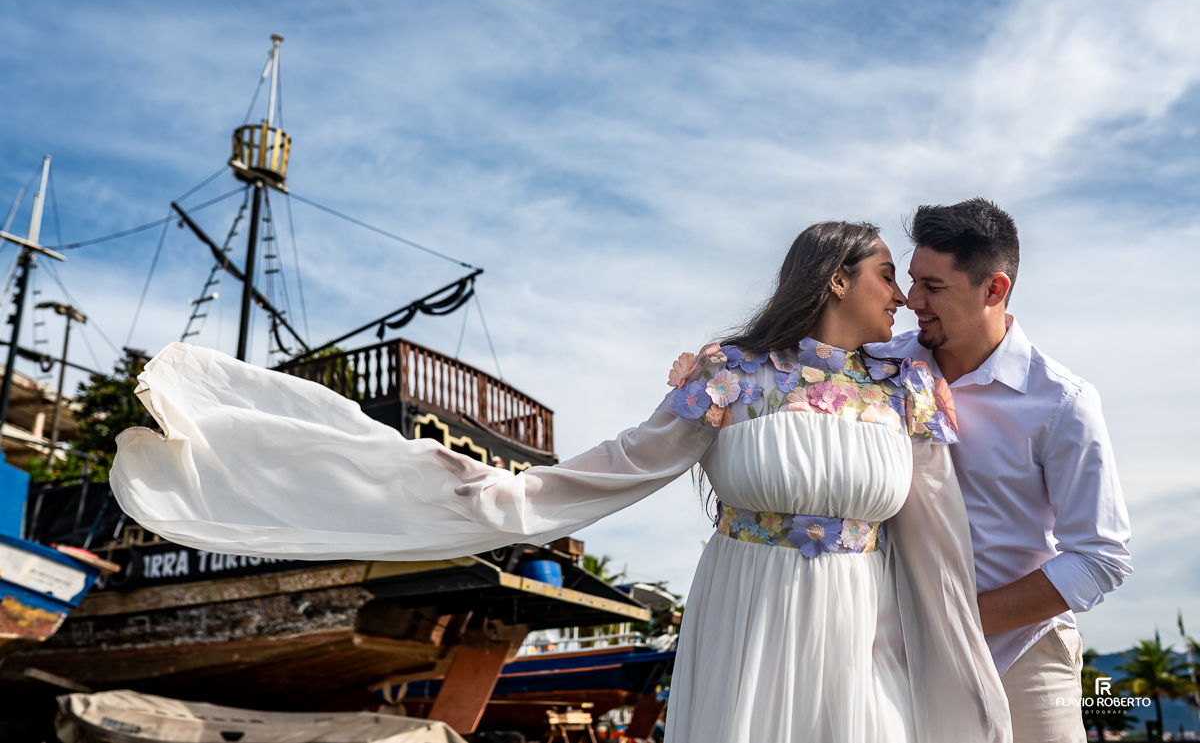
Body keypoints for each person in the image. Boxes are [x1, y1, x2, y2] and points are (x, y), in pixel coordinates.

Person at [111, 221, 1012, 743]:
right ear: (836, 275)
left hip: (864, 623)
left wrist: (965, 671)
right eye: (891, 273)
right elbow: (619, 464)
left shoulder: (908, 391)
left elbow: (938, 545)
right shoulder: (729, 377)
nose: (901, 296)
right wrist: (490, 495)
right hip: (752, 611)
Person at [874, 200, 1132, 743]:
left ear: (994, 289)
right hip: (893, 657)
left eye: (934, 287)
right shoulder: (876, 369)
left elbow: (1100, 557)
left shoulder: (1063, 402)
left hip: (1024, 659)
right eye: (912, 280)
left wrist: (954, 622)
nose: (911, 301)